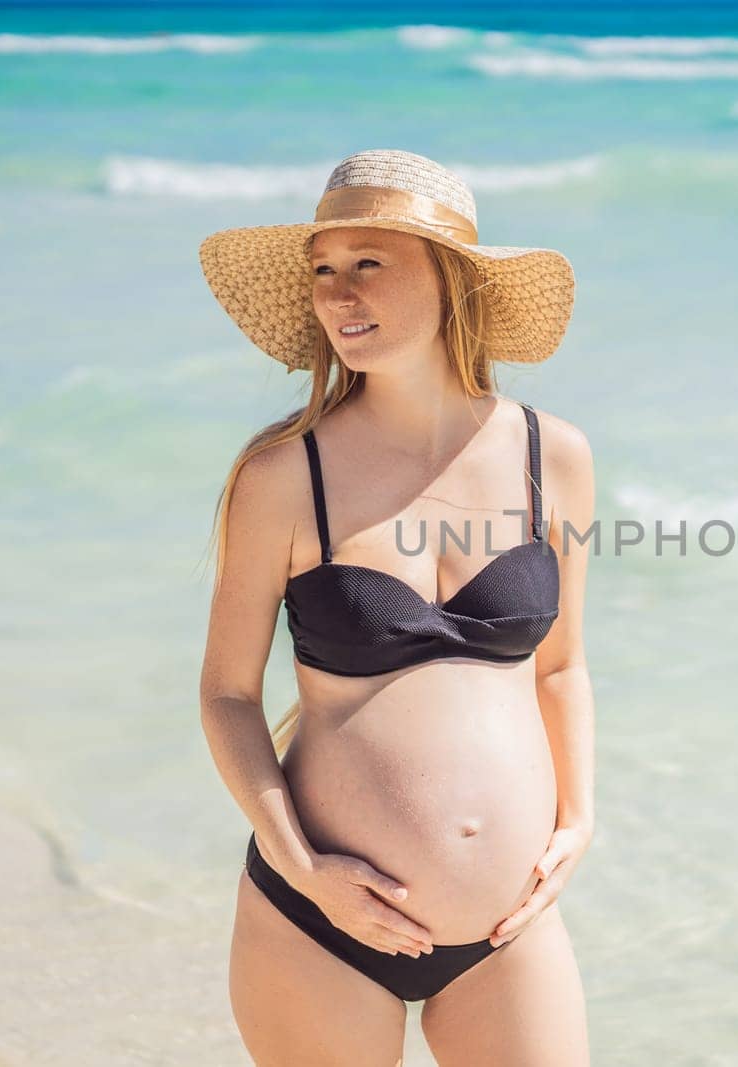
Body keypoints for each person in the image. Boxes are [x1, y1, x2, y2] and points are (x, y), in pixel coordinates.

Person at [195, 149, 595, 1066]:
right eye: (324, 270)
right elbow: (226, 693)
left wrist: (579, 820)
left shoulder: (553, 457)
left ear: (450, 279)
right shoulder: (284, 474)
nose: (339, 294)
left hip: (507, 931)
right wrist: (303, 866)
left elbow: (563, 665)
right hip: (318, 921)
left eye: (369, 263)